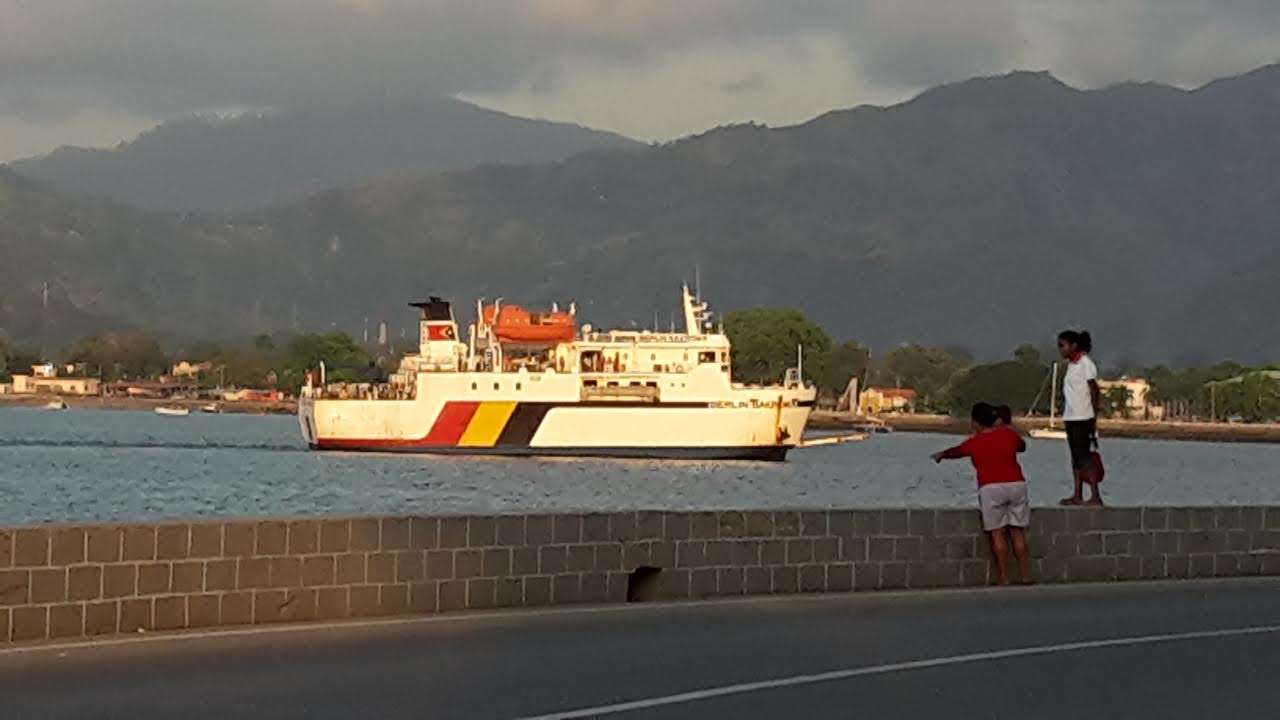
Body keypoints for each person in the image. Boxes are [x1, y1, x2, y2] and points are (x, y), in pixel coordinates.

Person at [931, 402, 1032, 585]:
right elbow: (1022, 447)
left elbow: (956, 452)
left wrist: (940, 455)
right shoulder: (1008, 434)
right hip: (1017, 484)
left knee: (997, 533)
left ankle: (1004, 577)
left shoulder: (974, 442)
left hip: (991, 487)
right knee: (1018, 531)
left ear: (976, 423)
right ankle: (1025, 575)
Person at [1056, 329, 1103, 506]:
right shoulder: (1071, 365)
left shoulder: (1085, 364)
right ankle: (1077, 494)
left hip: (1084, 417)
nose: (1060, 349)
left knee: (1085, 457)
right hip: (1071, 416)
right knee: (1075, 457)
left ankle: (1095, 495)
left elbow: (1094, 389)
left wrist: (1093, 416)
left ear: (1073, 345)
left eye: (1063, 345)